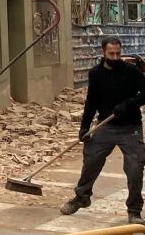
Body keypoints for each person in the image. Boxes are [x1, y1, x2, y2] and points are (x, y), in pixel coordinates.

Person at [62, 36, 145, 224]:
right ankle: (82, 197)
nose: (115, 57)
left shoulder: (132, 72)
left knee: (134, 168)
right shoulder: (96, 74)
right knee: (91, 160)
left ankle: (134, 211)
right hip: (105, 126)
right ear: (103, 52)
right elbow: (91, 101)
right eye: (111, 54)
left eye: (118, 53)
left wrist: (129, 104)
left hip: (130, 128)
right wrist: (84, 127)